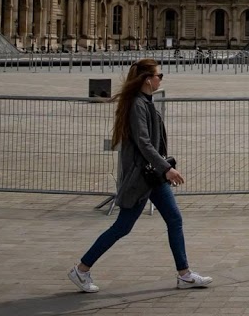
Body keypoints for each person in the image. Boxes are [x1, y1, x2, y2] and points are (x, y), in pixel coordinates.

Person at [68, 58, 211, 293]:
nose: (161, 79)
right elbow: (144, 143)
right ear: (147, 79)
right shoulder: (137, 104)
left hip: (153, 176)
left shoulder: (144, 101)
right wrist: (167, 168)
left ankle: (184, 274)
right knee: (122, 227)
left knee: (174, 220)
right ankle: (81, 270)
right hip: (142, 177)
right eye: (159, 75)